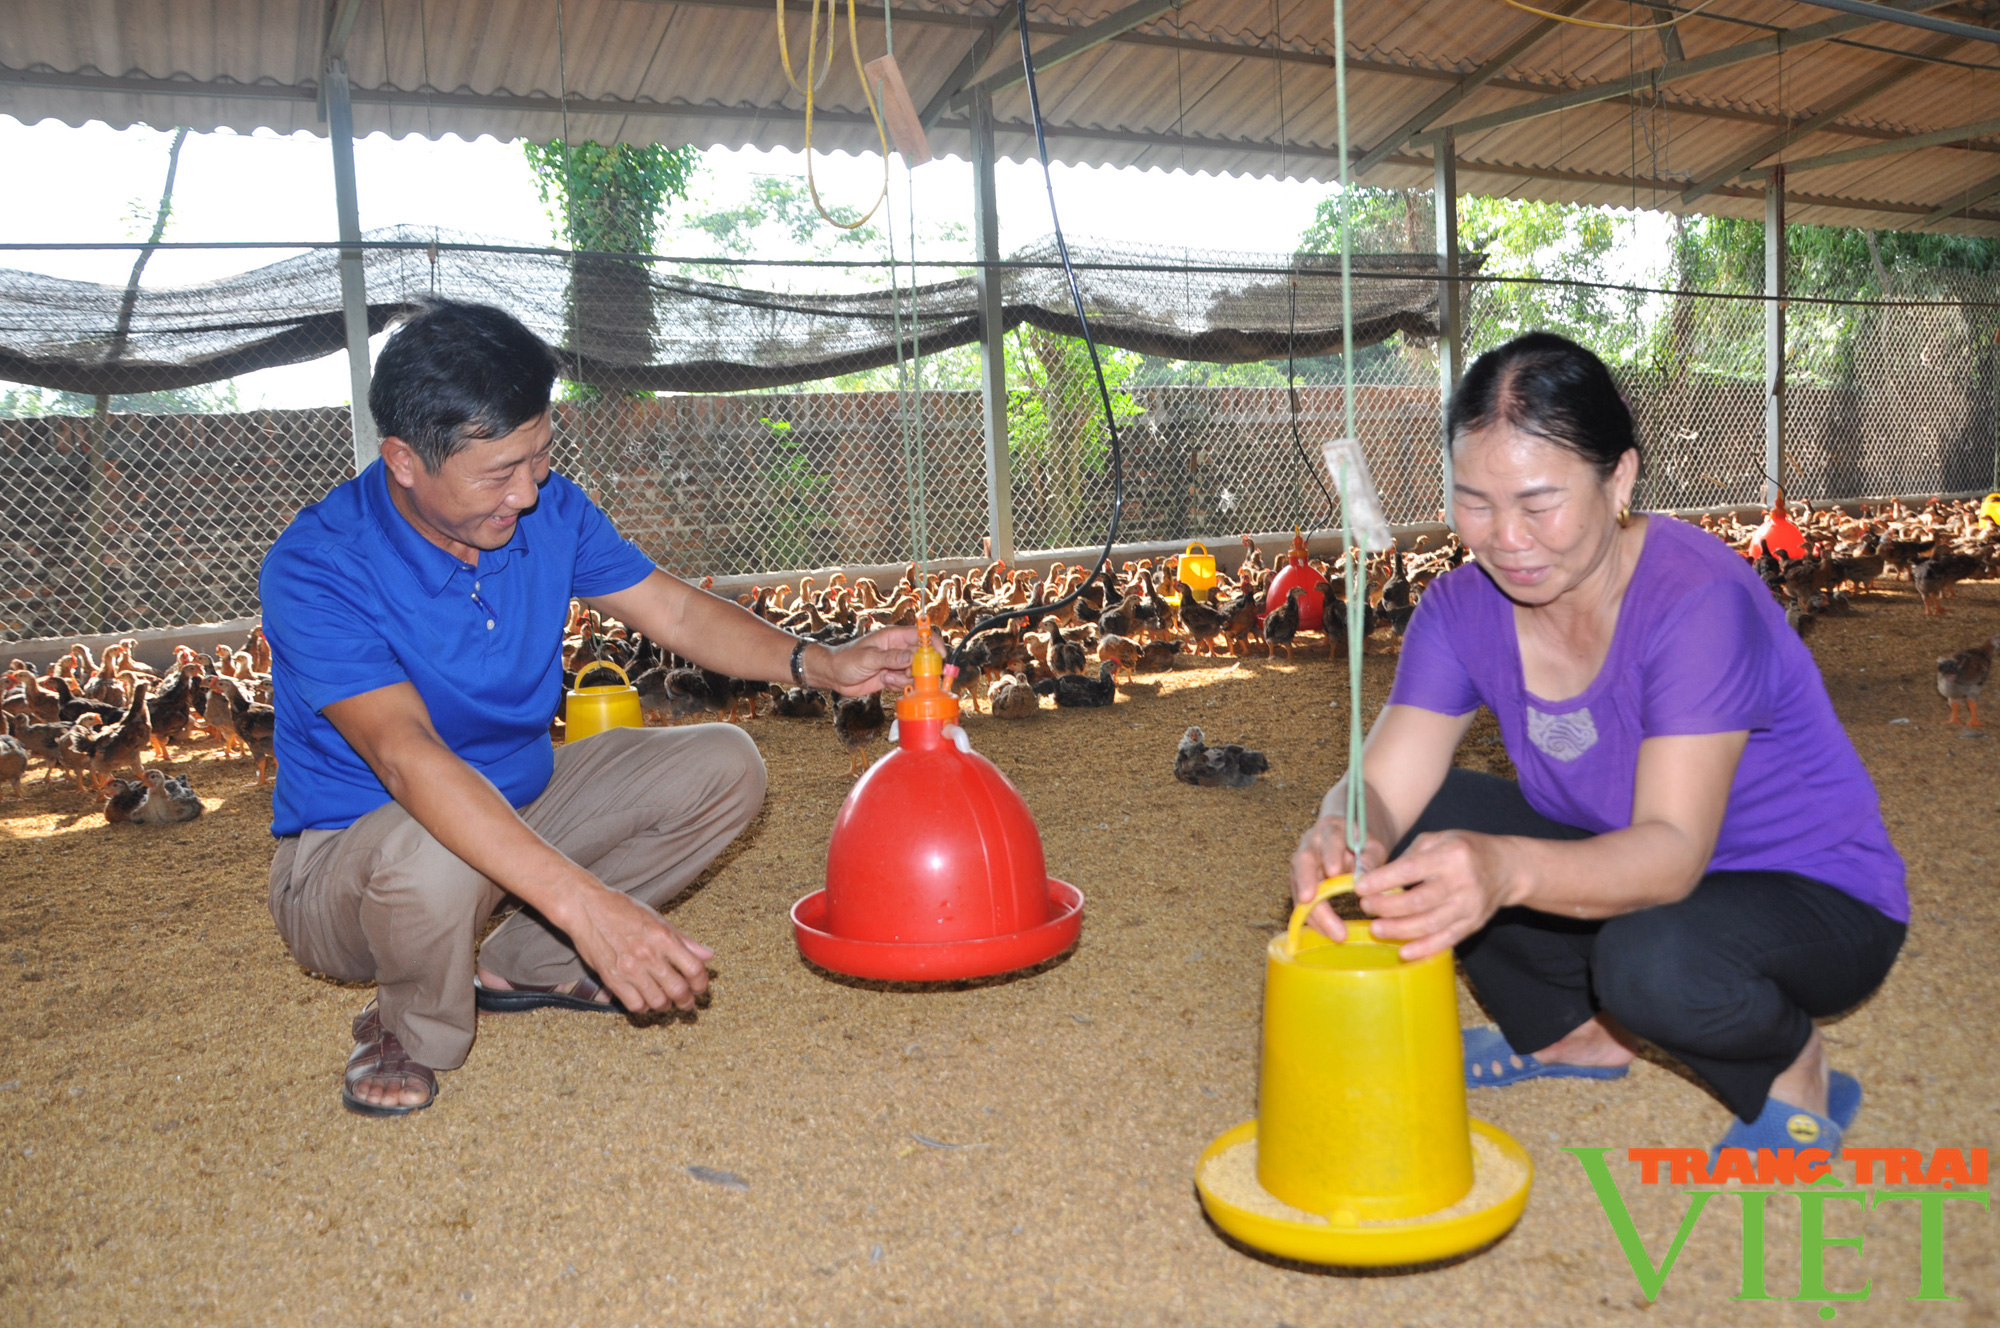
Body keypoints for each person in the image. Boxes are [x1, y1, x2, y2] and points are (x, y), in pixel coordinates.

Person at [260, 300, 916, 1118]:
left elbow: (672, 613)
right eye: (501, 472)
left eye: (539, 457)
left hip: (522, 804)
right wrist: (589, 906)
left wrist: (816, 662)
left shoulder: (552, 512)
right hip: (355, 862)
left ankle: (524, 964)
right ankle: (406, 1024)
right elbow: (406, 758)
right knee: (436, 847)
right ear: (403, 460)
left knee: (724, 766)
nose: (530, 493)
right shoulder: (318, 565)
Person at [1291, 331, 1906, 1158]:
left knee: (1647, 961)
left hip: (1807, 894)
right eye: (1474, 500)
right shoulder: (1460, 609)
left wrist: (1505, 867)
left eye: (1539, 502)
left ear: (1619, 476)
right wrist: (1344, 828)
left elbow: (1674, 857)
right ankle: (1572, 1036)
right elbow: (1386, 782)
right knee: (1425, 820)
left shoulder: (1697, 602)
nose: (1505, 536)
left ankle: (1795, 1071)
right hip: (1625, 859)